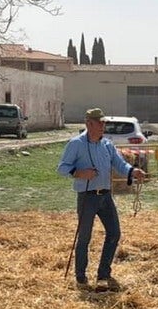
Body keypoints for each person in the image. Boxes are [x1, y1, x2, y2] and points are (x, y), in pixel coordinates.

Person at [57, 107, 146, 291]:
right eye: (100, 122)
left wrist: (132, 171)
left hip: (105, 196)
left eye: (104, 122)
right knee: (84, 238)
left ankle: (103, 274)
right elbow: (62, 168)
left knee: (114, 233)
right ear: (89, 124)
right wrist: (79, 172)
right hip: (87, 197)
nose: (103, 125)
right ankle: (81, 277)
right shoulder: (76, 144)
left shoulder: (107, 145)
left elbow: (119, 163)